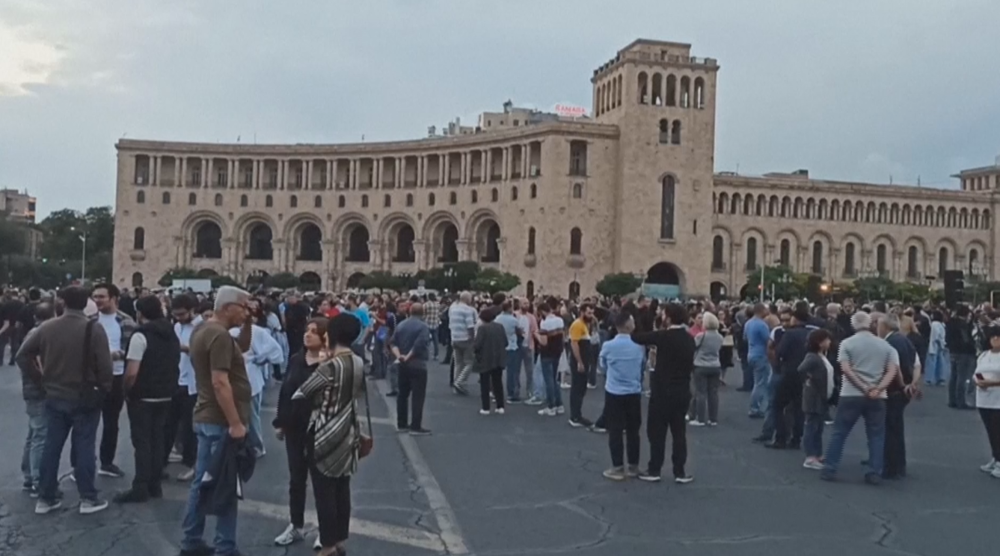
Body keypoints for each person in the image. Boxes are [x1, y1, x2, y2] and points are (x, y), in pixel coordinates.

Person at [17, 286, 114, 515]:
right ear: (86, 303)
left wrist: (40, 379)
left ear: (62, 302)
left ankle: (46, 496)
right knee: (84, 447)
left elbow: (22, 355)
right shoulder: (93, 328)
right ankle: (88, 497)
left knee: (52, 447)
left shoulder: (47, 327)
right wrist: (104, 388)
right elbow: (105, 365)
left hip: (54, 394)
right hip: (84, 395)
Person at [181, 286, 253, 556]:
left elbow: (242, 346)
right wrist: (235, 423)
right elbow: (220, 382)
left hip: (206, 415)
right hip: (220, 419)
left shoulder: (204, 330)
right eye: (243, 307)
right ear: (227, 307)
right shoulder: (219, 336)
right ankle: (225, 547)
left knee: (202, 482)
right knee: (225, 487)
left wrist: (248, 323)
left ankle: (191, 540)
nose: (246, 311)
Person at [289, 314, 367, 555]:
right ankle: (340, 538)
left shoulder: (330, 366)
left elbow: (302, 392)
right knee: (342, 488)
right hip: (348, 431)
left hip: (324, 431)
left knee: (324, 492)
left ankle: (328, 544)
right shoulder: (357, 360)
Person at [114, 295, 181, 503]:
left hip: (143, 395)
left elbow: (132, 372)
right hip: (166, 393)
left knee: (142, 441)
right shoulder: (171, 333)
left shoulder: (140, 336)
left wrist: (126, 390)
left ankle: (141, 485)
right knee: (157, 438)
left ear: (140, 313)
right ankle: (155, 483)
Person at [821, 311, 899, 484]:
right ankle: (874, 471)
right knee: (876, 435)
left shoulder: (847, 344)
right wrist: (878, 388)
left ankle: (830, 467)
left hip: (851, 393)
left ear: (853, 325)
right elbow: (892, 370)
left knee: (840, 432)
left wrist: (863, 387)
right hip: (879, 396)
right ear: (871, 324)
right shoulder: (885, 346)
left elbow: (846, 370)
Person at [273, 318, 328, 549]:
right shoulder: (296, 360)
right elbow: (286, 391)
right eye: (307, 330)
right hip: (295, 428)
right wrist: (281, 423)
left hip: (321, 429)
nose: (308, 335)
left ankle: (326, 532)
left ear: (325, 337)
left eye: (314, 332)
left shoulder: (331, 364)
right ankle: (296, 524)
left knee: (322, 481)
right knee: (297, 479)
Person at [632, 303, 696, 484]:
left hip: (662, 391)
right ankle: (679, 471)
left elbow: (638, 338)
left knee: (657, 432)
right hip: (682, 389)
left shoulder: (663, 336)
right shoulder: (689, 338)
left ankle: (655, 469)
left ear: (668, 317)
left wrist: (637, 316)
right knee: (679, 432)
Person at [91, 283, 138, 479]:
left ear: (114, 299)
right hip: (92, 378)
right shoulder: (90, 321)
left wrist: (117, 355)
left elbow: (132, 351)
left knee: (111, 422)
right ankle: (81, 464)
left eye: (102, 296)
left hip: (116, 376)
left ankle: (107, 462)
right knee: (86, 422)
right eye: (95, 297)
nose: (98, 300)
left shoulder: (127, 322)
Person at [235, 300, 284, 458]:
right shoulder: (225, 330)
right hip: (232, 378)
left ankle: (257, 445)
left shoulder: (256, 331)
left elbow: (275, 350)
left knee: (251, 415)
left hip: (250, 378)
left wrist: (260, 359)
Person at [599, 312, 645, 481]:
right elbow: (642, 367)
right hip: (633, 391)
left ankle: (617, 467)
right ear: (626, 325)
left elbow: (602, 364)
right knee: (634, 430)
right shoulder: (638, 346)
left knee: (615, 430)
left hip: (614, 391)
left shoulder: (608, 346)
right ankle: (633, 465)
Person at [17, 301, 54, 497]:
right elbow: (22, 357)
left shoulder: (34, 332)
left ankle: (29, 476)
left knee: (34, 434)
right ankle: (37, 480)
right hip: (37, 391)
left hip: (32, 390)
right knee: (40, 434)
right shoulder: (39, 334)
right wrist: (41, 380)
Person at [881, 313, 920, 480]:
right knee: (896, 427)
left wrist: (903, 384)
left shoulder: (891, 343)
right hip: (903, 389)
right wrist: (913, 383)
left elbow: (896, 367)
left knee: (890, 428)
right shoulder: (904, 340)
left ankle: (891, 466)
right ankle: (898, 464)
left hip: (895, 389)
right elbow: (916, 363)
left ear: (885, 326)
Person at [167, 294, 201, 482]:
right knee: (171, 423)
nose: (178, 318)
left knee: (190, 427)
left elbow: (202, 351)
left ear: (192, 310)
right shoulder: (177, 326)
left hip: (194, 384)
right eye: (176, 314)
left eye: (181, 314)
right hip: (177, 379)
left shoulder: (202, 327)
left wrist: (185, 348)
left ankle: (192, 463)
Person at [390, 303, 432, 435]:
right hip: (417, 363)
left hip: (402, 363)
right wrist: (408, 356)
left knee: (402, 394)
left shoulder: (401, 325)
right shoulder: (423, 327)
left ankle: (401, 424)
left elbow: (393, 342)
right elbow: (419, 345)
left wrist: (399, 356)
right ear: (423, 313)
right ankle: (415, 426)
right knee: (418, 396)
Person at [799, 329, 833, 470]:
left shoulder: (820, 356)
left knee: (818, 427)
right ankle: (810, 456)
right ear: (819, 342)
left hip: (821, 396)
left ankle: (817, 454)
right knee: (812, 427)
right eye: (827, 340)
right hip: (814, 397)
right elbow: (801, 369)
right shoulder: (813, 357)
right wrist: (809, 380)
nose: (829, 342)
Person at [974, 323, 1000, 479]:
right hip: (984, 398)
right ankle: (995, 457)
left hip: (998, 398)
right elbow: (976, 372)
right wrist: (979, 381)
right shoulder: (984, 355)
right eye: (993, 337)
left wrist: (992, 383)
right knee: (990, 430)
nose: (995, 339)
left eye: (998, 336)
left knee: (998, 431)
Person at [690, 312, 723, 426]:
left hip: (701, 365)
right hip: (715, 365)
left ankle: (700, 418)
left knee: (701, 393)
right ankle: (713, 418)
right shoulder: (719, 337)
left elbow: (693, 347)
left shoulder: (701, 336)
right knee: (713, 393)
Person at [568, 304, 598, 427]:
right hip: (579, 362)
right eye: (589, 313)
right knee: (577, 388)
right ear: (582, 312)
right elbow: (574, 344)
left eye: (592, 313)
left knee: (581, 388)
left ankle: (577, 414)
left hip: (584, 361)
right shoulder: (577, 325)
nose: (591, 316)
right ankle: (575, 416)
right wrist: (579, 362)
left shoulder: (585, 325)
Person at [473, 307, 508, 415]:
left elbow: (477, 345)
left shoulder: (482, 329)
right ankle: (500, 406)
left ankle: (486, 408)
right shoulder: (500, 327)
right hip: (498, 358)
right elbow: (505, 342)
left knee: (485, 384)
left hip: (485, 358)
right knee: (498, 383)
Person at [535, 302, 566, 416]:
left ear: (542, 311)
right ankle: (559, 404)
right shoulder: (559, 320)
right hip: (557, 352)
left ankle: (551, 406)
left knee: (549, 380)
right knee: (555, 379)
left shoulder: (544, 323)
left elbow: (544, 342)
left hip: (547, 354)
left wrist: (536, 335)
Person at [744, 304, 772, 419]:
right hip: (761, 354)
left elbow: (745, 337)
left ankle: (756, 407)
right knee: (761, 383)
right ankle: (755, 408)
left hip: (751, 353)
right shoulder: (762, 325)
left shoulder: (748, 323)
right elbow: (768, 340)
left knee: (758, 382)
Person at [946, 305, 977, 409]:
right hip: (964, 352)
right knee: (962, 377)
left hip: (953, 351)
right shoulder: (963, 325)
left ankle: (952, 400)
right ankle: (961, 401)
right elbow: (966, 339)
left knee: (954, 375)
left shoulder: (950, 323)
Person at [495, 300, 526, 403]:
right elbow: (519, 332)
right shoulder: (513, 320)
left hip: (500, 346)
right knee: (512, 371)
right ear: (509, 308)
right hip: (512, 345)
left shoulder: (497, 319)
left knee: (497, 371)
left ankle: (496, 392)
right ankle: (511, 393)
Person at [449, 292, 478, 394]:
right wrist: (473, 339)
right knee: (469, 363)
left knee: (458, 363)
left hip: (454, 338)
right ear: (467, 299)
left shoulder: (453, 308)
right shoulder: (467, 310)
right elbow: (470, 326)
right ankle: (460, 382)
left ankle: (456, 386)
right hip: (465, 339)